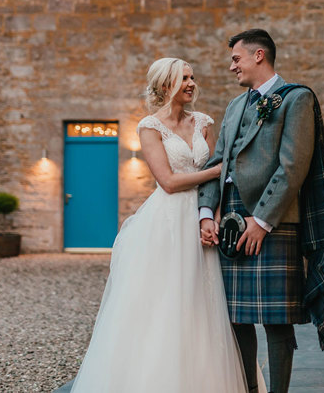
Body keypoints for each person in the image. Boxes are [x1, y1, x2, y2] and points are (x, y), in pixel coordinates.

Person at [71, 57, 264, 392]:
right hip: (168, 221)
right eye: (182, 78)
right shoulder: (149, 127)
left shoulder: (203, 121)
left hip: (204, 217)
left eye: (191, 77)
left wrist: (212, 215)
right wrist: (218, 170)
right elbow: (169, 181)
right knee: (167, 302)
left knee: (207, 302)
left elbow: (214, 174)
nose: (190, 83)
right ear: (164, 86)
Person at [198, 29, 324, 393]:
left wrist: (262, 221)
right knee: (236, 318)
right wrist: (206, 212)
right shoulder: (235, 106)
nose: (232, 66)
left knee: (277, 320)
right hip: (229, 221)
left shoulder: (297, 99)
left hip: (273, 221)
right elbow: (219, 163)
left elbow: (293, 165)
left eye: (237, 58)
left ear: (259, 55)